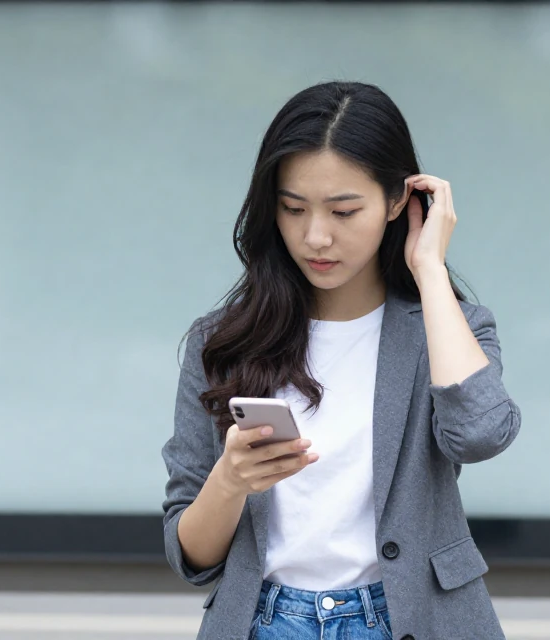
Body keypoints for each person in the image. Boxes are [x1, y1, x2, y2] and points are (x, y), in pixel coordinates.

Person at [161, 81, 521, 640]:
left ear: (399, 201)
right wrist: (229, 482)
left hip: (413, 620)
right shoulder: (223, 342)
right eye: (293, 208)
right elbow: (192, 558)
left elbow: (480, 434)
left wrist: (429, 272)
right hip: (267, 622)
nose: (316, 236)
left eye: (344, 210)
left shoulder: (450, 329)